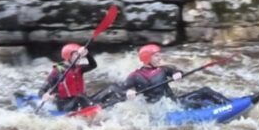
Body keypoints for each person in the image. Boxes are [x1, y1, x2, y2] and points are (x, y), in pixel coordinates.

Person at [94, 44, 229, 109]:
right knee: (199, 104)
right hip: (163, 108)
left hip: (173, 101)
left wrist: (177, 74)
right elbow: (122, 89)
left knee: (205, 90)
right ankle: (223, 109)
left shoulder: (163, 69)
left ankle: (230, 104)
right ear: (147, 58)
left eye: (160, 55)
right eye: (156, 56)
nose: (160, 57)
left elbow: (177, 71)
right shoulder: (135, 76)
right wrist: (128, 91)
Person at [39, 43, 97, 112]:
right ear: (68, 56)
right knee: (80, 97)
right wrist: (45, 96)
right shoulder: (57, 71)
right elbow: (41, 91)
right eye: (76, 55)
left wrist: (87, 54)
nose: (79, 57)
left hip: (82, 100)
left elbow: (93, 65)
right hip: (65, 105)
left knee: (112, 89)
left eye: (80, 55)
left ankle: (95, 107)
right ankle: (95, 108)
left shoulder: (79, 68)